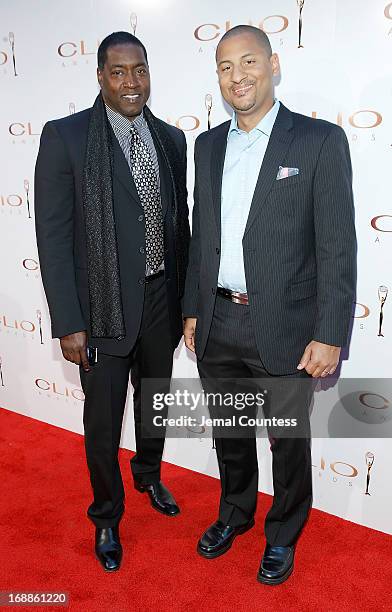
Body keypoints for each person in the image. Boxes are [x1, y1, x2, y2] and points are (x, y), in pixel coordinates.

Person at [183, 25, 356, 585]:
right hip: (218, 319)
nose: (239, 76)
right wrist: (192, 307)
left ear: (274, 63)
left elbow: (336, 245)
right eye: (226, 66)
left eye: (249, 61)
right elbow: (199, 234)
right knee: (230, 433)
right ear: (218, 75)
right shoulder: (207, 145)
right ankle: (235, 513)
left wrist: (330, 333)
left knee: (286, 440)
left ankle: (283, 533)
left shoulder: (318, 141)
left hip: (287, 324)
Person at [35, 31, 190, 572]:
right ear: (100, 76)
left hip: (160, 301)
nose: (132, 82)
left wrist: (186, 303)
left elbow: (181, 228)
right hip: (100, 311)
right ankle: (106, 515)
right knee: (102, 423)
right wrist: (69, 321)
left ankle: (149, 475)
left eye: (140, 70)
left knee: (155, 404)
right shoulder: (67, 137)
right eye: (119, 71)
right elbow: (53, 238)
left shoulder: (172, 140)